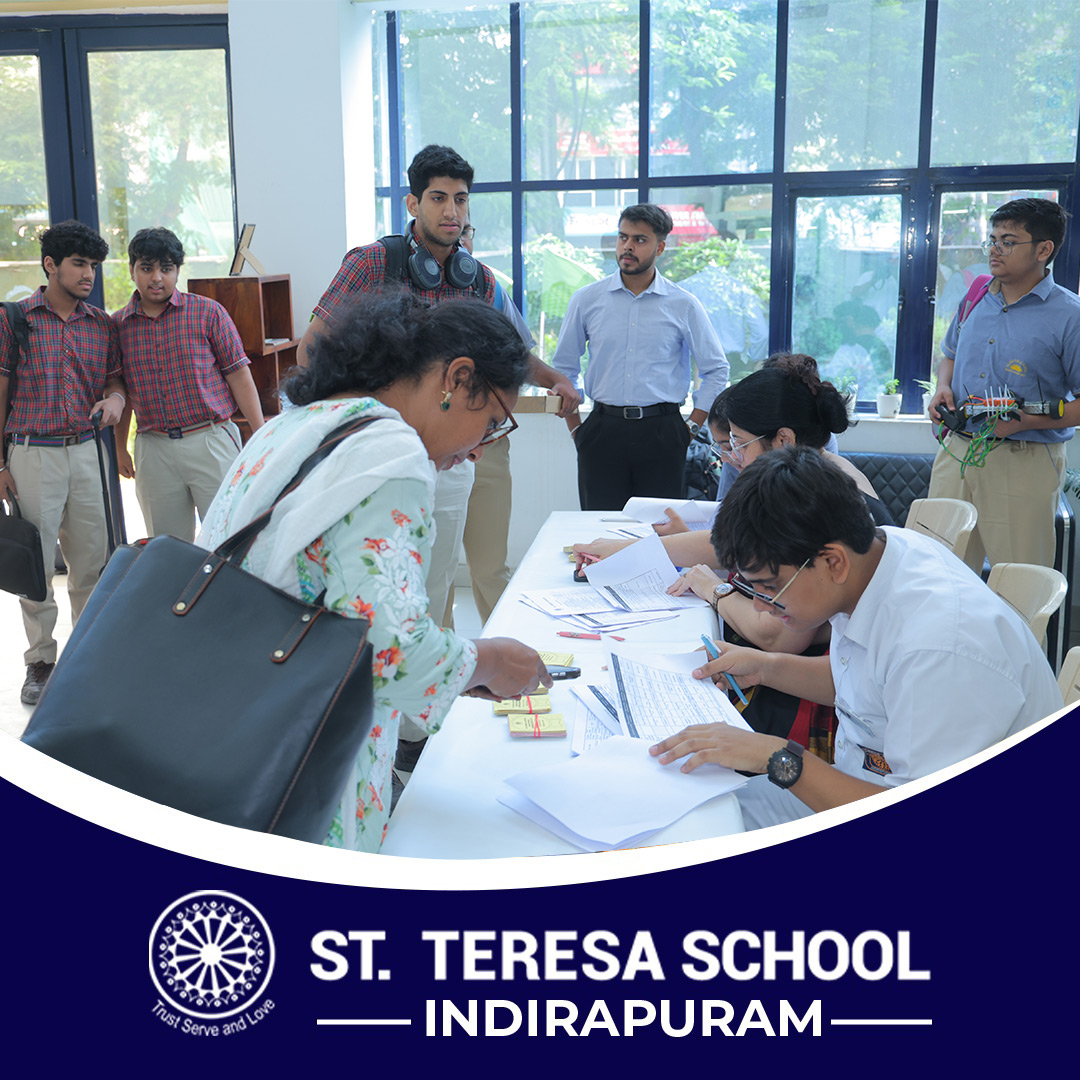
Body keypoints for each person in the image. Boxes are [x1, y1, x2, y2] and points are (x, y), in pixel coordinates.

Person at [198, 290, 552, 852]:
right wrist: (490, 660)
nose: (479, 451)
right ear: (458, 379)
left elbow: (333, 606)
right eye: (490, 422)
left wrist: (461, 672)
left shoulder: (296, 426)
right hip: (301, 755)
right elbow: (391, 655)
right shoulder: (391, 454)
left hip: (232, 719)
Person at [651, 446, 1063, 830]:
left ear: (833, 561)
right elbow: (868, 683)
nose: (760, 605)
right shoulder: (881, 554)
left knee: (700, 830)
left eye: (769, 587)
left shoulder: (939, 648)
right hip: (860, 785)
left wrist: (775, 757)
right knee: (690, 812)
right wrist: (764, 667)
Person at [297, 145, 579, 633]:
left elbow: (508, 353)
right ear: (413, 203)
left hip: (453, 450)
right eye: (438, 198)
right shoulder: (372, 263)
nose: (451, 211)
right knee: (377, 577)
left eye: (460, 199)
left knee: (437, 580)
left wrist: (552, 377)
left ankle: (434, 668)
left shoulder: (479, 279)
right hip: (380, 447)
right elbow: (311, 352)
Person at [573, 356, 890, 570]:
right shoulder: (826, 468)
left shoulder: (810, 490)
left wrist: (625, 551)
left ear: (783, 439)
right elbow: (739, 546)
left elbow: (740, 550)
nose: (734, 457)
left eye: (739, 443)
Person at [0, 219, 126, 705]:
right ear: (50, 264)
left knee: (92, 563)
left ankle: (87, 658)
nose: (89, 274)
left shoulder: (102, 324)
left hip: (88, 451)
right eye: (79, 264)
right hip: (32, 454)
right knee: (34, 567)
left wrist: (116, 400)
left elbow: (113, 380)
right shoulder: (15, 319)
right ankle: (40, 662)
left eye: (94, 265)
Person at [928, 197, 1080, 570]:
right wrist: (943, 387)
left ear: (1044, 250)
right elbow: (949, 355)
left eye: (1008, 242)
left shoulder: (1069, 316)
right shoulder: (976, 296)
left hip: (1023, 459)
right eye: (993, 240)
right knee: (937, 570)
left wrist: (1026, 421)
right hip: (957, 451)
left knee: (1018, 579)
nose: (994, 250)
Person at [552, 203, 728, 510]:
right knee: (600, 525)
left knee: (659, 528)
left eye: (640, 240)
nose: (628, 247)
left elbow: (716, 369)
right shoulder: (587, 300)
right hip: (601, 431)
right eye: (623, 237)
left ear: (660, 247)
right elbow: (564, 367)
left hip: (663, 432)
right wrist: (577, 429)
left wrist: (692, 427)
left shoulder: (683, 304)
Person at [113, 227, 265, 542]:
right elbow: (121, 391)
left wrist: (262, 434)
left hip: (210, 439)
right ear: (132, 270)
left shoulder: (208, 312)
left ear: (178, 272)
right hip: (153, 448)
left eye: (166, 269)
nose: (157, 278)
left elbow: (238, 375)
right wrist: (118, 447)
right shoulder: (118, 325)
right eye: (147, 268)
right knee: (167, 545)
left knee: (227, 538)